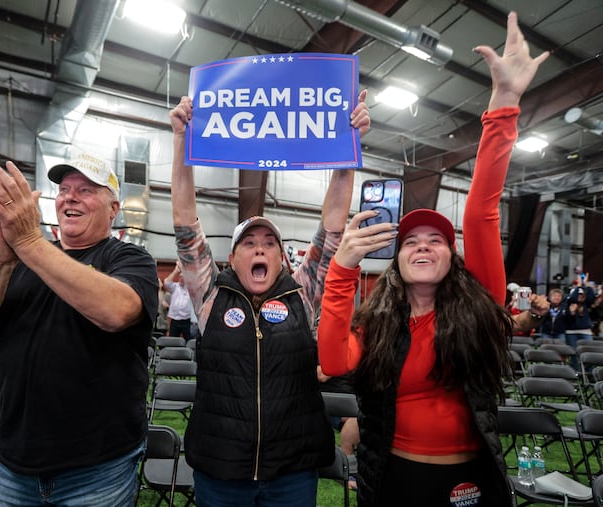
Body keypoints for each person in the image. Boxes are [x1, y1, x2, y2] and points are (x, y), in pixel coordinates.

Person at [317, 12, 548, 506]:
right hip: (395, 480)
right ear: (397, 261)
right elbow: (333, 359)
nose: (422, 244)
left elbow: (482, 209)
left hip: (472, 482)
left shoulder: (482, 301)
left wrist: (504, 104)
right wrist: (342, 269)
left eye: (435, 240)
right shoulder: (378, 324)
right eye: (410, 241)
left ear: (452, 256)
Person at [168, 88, 370, 506]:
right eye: (249, 243)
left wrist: (347, 149)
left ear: (281, 257)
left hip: (291, 471)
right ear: (232, 257)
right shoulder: (210, 293)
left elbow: (332, 231)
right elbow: (186, 223)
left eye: (269, 242)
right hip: (221, 468)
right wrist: (180, 142)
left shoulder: (303, 292)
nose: (259, 248)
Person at [0, 153, 158, 507]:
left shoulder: (129, 259)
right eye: (63, 189)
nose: (70, 197)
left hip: (96, 469)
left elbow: (116, 311)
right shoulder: (19, 260)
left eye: (86, 190)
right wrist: (1, 258)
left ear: (113, 208)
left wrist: (29, 242)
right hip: (13, 464)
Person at [163, 262, 192, 339]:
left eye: (183, 277)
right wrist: (176, 270)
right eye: (180, 277)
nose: (181, 279)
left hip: (187, 320)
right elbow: (166, 282)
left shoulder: (190, 289)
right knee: (173, 340)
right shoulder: (175, 287)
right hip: (175, 320)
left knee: (189, 340)